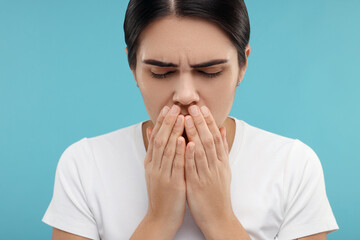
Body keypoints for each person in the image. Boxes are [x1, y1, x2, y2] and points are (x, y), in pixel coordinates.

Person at [42, 0, 339, 239]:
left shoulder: (294, 166)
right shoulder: (84, 165)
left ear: (242, 65)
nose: (185, 95)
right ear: (133, 68)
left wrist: (219, 219)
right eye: (161, 72)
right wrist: (158, 220)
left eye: (210, 72)